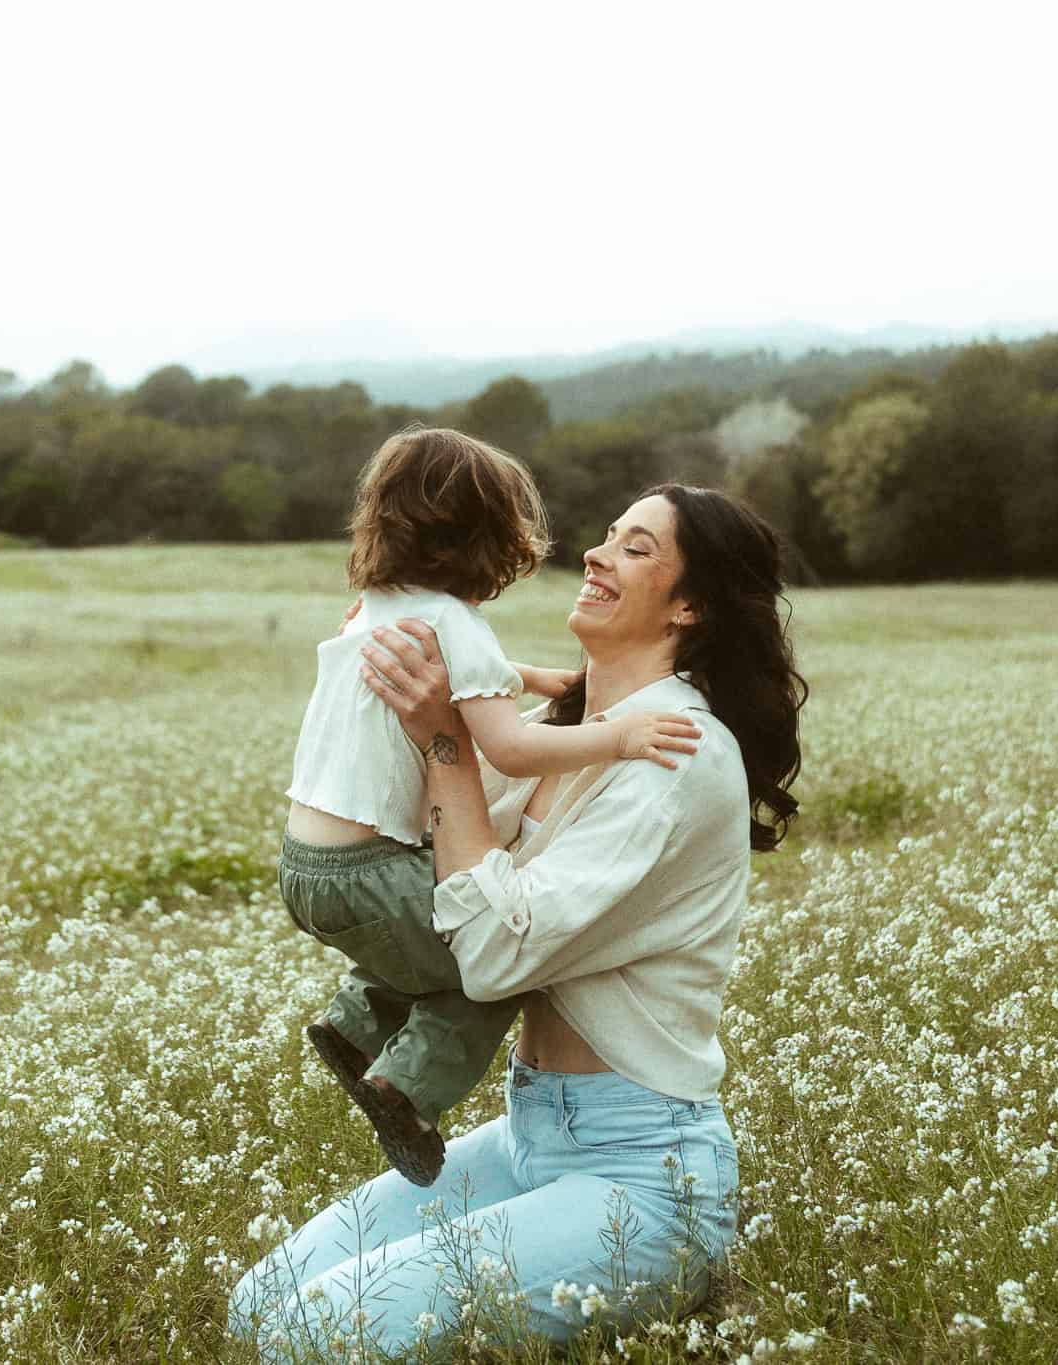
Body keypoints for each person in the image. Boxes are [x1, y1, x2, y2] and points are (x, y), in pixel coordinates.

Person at [234, 483, 807, 1358]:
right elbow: (434, 845)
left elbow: (494, 954)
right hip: (530, 1133)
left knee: (314, 1330)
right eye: (608, 534)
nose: (598, 553)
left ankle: (681, 1266)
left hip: (640, 1174)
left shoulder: (676, 754)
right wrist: (378, 638)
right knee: (258, 1306)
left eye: (637, 547)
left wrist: (444, 741)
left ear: (690, 605)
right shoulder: (570, 727)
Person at [282, 427, 703, 1186]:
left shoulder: (372, 607)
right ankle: (405, 1086)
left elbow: (477, 675)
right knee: (494, 955)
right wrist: (618, 735)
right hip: (372, 869)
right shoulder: (457, 623)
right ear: (487, 542)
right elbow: (508, 750)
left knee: (435, 924)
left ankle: (354, 1024)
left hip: (308, 865)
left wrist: (537, 678)